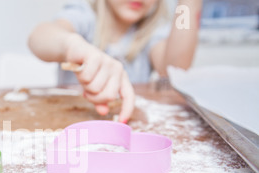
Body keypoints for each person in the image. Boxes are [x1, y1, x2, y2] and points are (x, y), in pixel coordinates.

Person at [28, 0, 202, 123]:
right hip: (69, 125)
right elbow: (39, 37)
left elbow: (176, 68)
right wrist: (71, 45)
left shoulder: (151, 33)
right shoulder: (84, 15)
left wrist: (188, 4)